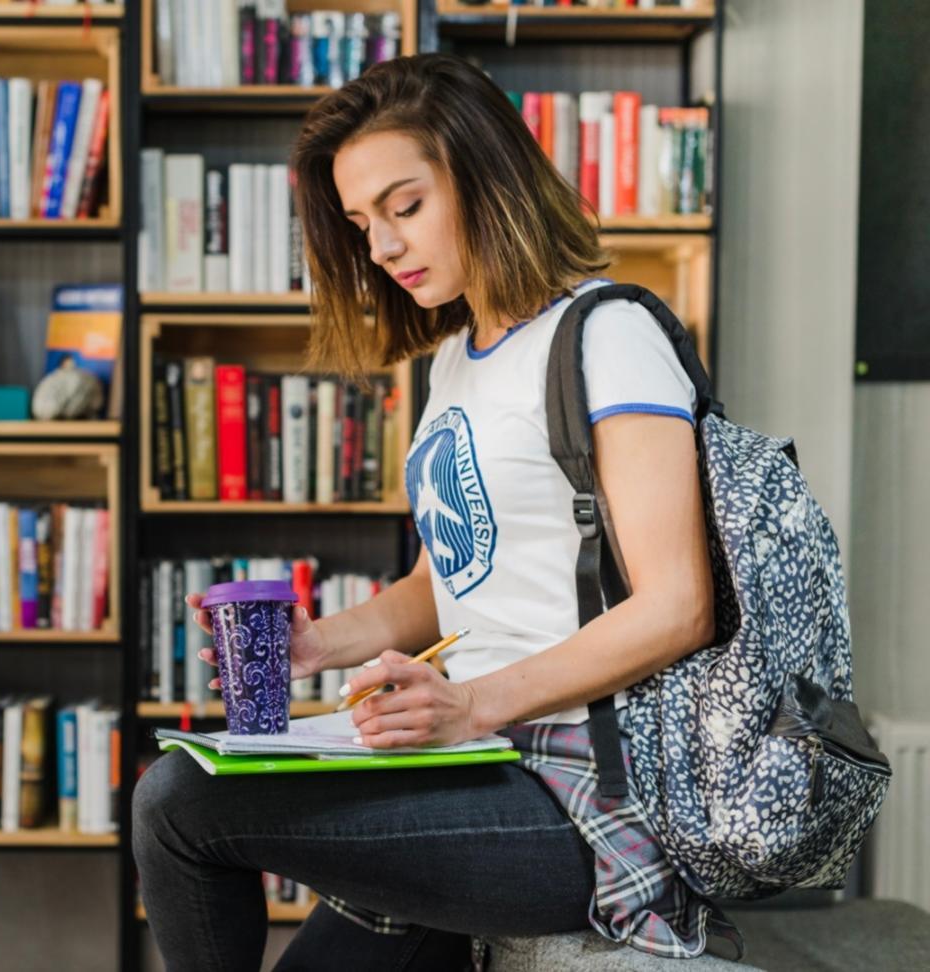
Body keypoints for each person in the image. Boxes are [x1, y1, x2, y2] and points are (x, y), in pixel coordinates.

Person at [131, 53, 744, 971]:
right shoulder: (457, 356)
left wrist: (468, 705)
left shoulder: (609, 336)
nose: (379, 246)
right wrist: (316, 644)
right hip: (476, 764)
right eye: (359, 222)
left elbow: (679, 605)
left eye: (403, 206)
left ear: (485, 177)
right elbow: (443, 582)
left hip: (582, 789)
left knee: (176, 801)